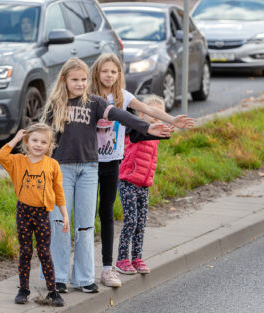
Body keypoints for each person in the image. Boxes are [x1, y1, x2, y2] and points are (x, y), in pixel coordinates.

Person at [39, 57, 173, 294]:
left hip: (90, 168)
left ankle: (83, 278)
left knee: (85, 224)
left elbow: (121, 116)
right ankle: (58, 276)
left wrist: (147, 127)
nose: (80, 84)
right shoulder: (55, 105)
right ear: (65, 80)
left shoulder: (95, 102)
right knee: (60, 221)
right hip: (62, 169)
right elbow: (43, 137)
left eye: (82, 79)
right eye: (75, 80)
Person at [88, 53, 194, 287]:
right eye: (105, 71)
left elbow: (148, 109)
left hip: (111, 162)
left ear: (119, 75)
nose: (109, 75)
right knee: (85, 216)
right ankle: (81, 270)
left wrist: (173, 120)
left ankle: (109, 267)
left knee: (106, 212)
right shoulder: (89, 96)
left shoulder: (122, 97)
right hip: (88, 161)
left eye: (114, 72)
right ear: (97, 72)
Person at [0, 123, 69, 306]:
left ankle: (52, 291)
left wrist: (64, 214)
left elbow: (58, 190)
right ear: (27, 142)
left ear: (49, 146)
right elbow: (1, 155)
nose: (38, 144)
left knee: (44, 252)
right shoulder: (18, 161)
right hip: (24, 212)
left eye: (43, 142)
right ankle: (23, 289)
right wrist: (16, 138)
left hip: (42, 213)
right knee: (26, 251)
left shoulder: (52, 164)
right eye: (34, 140)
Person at [115, 95, 167, 275]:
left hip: (144, 184)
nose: (155, 119)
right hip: (128, 181)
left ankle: (137, 258)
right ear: (140, 113)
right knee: (131, 220)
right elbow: (139, 135)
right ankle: (122, 259)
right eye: (151, 113)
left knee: (141, 222)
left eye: (160, 116)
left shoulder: (155, 134)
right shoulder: (135, 130)